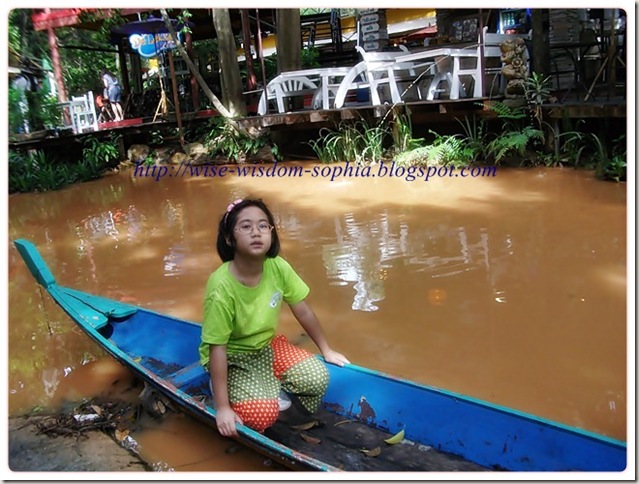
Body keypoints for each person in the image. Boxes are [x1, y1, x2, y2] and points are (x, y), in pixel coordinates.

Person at [200, 198, 349, 437]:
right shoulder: (221, 287)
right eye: (246, 227)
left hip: (266, 346)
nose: (256, 232)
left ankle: (268, 388)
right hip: (232, 356)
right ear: (229, 238)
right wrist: (223, 407)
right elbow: (217, 346)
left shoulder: (277, 266)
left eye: (263, 226)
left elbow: (303, 310)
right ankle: (224, 390)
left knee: (318, 377)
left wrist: (326, 349)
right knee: (261, 416)